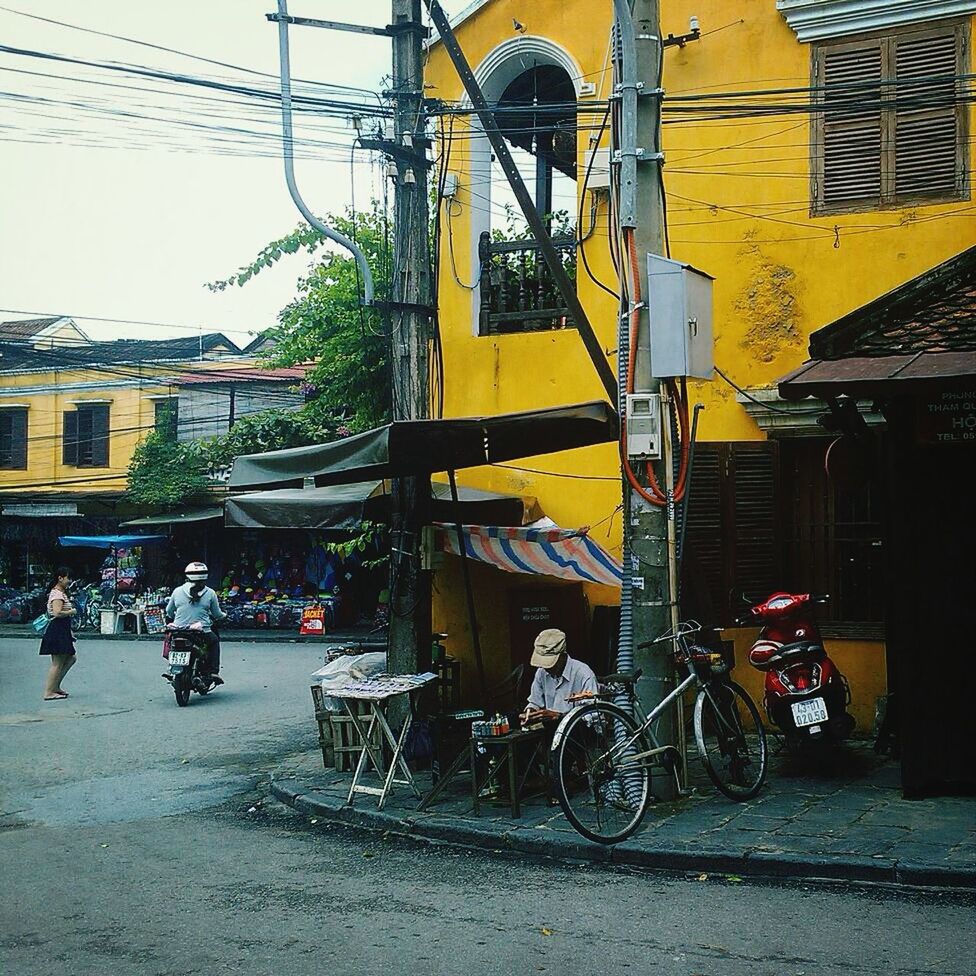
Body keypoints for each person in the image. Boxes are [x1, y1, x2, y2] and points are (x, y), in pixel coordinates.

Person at [165, 561, 227, 683]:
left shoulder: (177, 591)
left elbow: (169, 611)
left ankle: (171, 667)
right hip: (201, 631)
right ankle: (213, 671)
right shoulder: (210, 593)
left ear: (187, 575)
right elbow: (217, 614)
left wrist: (175, 618)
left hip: (178, 629)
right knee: (214, 641)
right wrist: (224, 616)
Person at [522, 628, 598, 721]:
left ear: (562, 656)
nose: (547, 668)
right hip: (551, 729)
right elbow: (535, 701)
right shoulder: (542, 672)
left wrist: (560, 717)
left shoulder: (584, 674)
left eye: (550, 664)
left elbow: (593, 715)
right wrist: (530, 712)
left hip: (580, 731)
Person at [40, 567, 77, 701]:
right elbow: (56, 613)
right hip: (57, 630)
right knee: (57, 662)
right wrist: (71, 612)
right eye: (68, 578)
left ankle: (55, 687)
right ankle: (49, 691)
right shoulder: (57, 594)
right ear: (60, 578)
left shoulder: (61, 593)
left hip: (62, 629)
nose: (69, 581)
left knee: (70, 659)